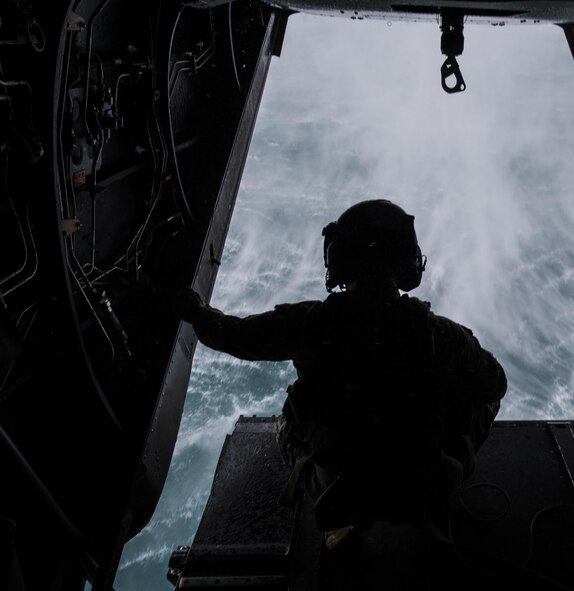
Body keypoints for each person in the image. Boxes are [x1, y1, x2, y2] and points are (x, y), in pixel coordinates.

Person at [170, 199, 507, 549]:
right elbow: (496, 384)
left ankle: (343, 515)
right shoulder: (441, 335)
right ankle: (436, 488)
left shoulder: (310, 325)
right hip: (420, 490)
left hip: (336, 491)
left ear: (340, 259)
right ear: (406, 261)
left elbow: (235, 335)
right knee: (477, 399)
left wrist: (196, 312)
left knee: (291, 415)